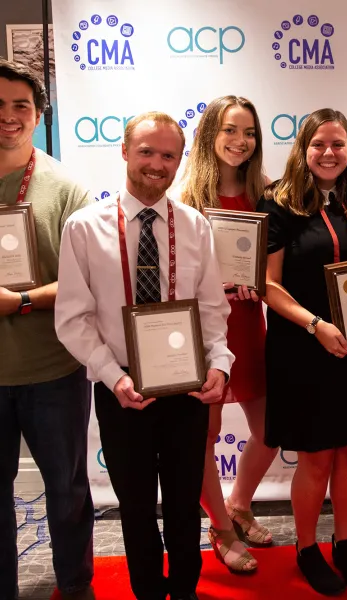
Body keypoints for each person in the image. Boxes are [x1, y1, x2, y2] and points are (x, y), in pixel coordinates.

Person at [55, 111, 234, 600]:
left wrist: (219, 364)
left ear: (180, 161)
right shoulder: (84, 227)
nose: (157, 164)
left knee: (182, 503)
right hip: (121, 387)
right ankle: (149, 593)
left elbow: (213, 310)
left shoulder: (195, 225)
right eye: (147, 152)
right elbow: (73, 318)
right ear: (125, 152)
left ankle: (185, 590)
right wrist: (114, 378)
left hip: (187, 384)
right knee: (135, 506)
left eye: (168, 155)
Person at [257, 108, 347, 596]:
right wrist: (317, 325)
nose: (329, 154)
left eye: (339, 144)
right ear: (302, 149)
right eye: (318, 145)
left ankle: (345, 542)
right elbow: (268, 285)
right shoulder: (278, 204)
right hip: (303, 347)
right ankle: (307, 548)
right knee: (316, 457)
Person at [0, 59, 94, 600]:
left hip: (53, 372)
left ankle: (77, 587)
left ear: (38, 115)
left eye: (22, 106)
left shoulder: (65, 188)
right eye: (0, 105)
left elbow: (86, 281)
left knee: (66, 491)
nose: (10, 117)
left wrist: (20, 302)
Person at [179, 96, 275, 574]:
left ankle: (239, 503)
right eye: (231, 131)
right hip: (204, 331)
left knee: (273, 428)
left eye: (250, 132)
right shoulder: (185, 201)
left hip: (251, 325)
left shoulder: (268, 196)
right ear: (209, 136)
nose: (241, 142)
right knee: (206, 436)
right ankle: (218, 526)